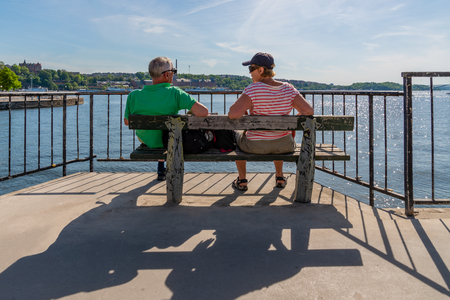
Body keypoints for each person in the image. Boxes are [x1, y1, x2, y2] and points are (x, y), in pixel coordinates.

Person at [228, 52, 314, 190]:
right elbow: (308, 111)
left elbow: (233, 114)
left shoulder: (253, 89)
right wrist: (290, 121)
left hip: (254, 146)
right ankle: (280, 177)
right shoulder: (288, 89)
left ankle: (242, 180)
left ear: (261, 70)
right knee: (279, 134)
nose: (250, 73)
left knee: (236, 135)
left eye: (251, 69)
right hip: (284, 145)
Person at [124, 57, 209, 180]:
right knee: (167, 134)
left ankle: (160, 168)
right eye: (173, 71)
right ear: (167, 74)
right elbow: (203, 111)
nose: (174, 75)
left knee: (159, 133)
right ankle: (164, 168)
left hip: (147, 140)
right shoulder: (175, 93)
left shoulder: (133, 96)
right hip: (169, 140)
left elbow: (127, 122)